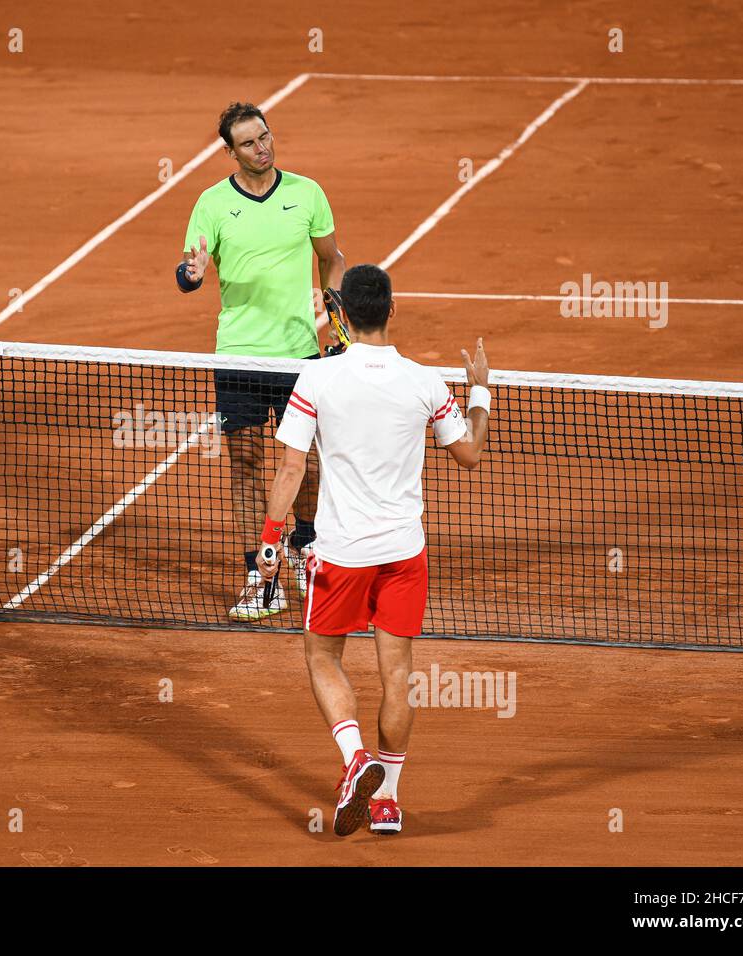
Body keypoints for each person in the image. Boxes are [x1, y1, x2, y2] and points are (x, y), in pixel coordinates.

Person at [256, 263, 492, 837]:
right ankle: (386, 800)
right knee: (398, 676)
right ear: (391, 311)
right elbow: (469, 454)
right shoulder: (424, 383)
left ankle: (354, 758)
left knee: (321, 658)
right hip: (403, 553)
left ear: (343, 316)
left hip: (340, 554)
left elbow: (292, 467)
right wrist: (481, 387)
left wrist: (268, 541)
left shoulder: (317, 381)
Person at [177, 101, 345, 621]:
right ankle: (258, 570)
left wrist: (334, 308)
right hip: (240, 354)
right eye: (249, 142)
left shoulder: (306, 193)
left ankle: (306, 546)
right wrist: (194, 271)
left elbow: (332, 258)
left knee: (309, 464)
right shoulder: (210, 204)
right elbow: (187, 276)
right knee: (246, 465)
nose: (262, 147)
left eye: (266, 136)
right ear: (230, 151)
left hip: (299, 353)